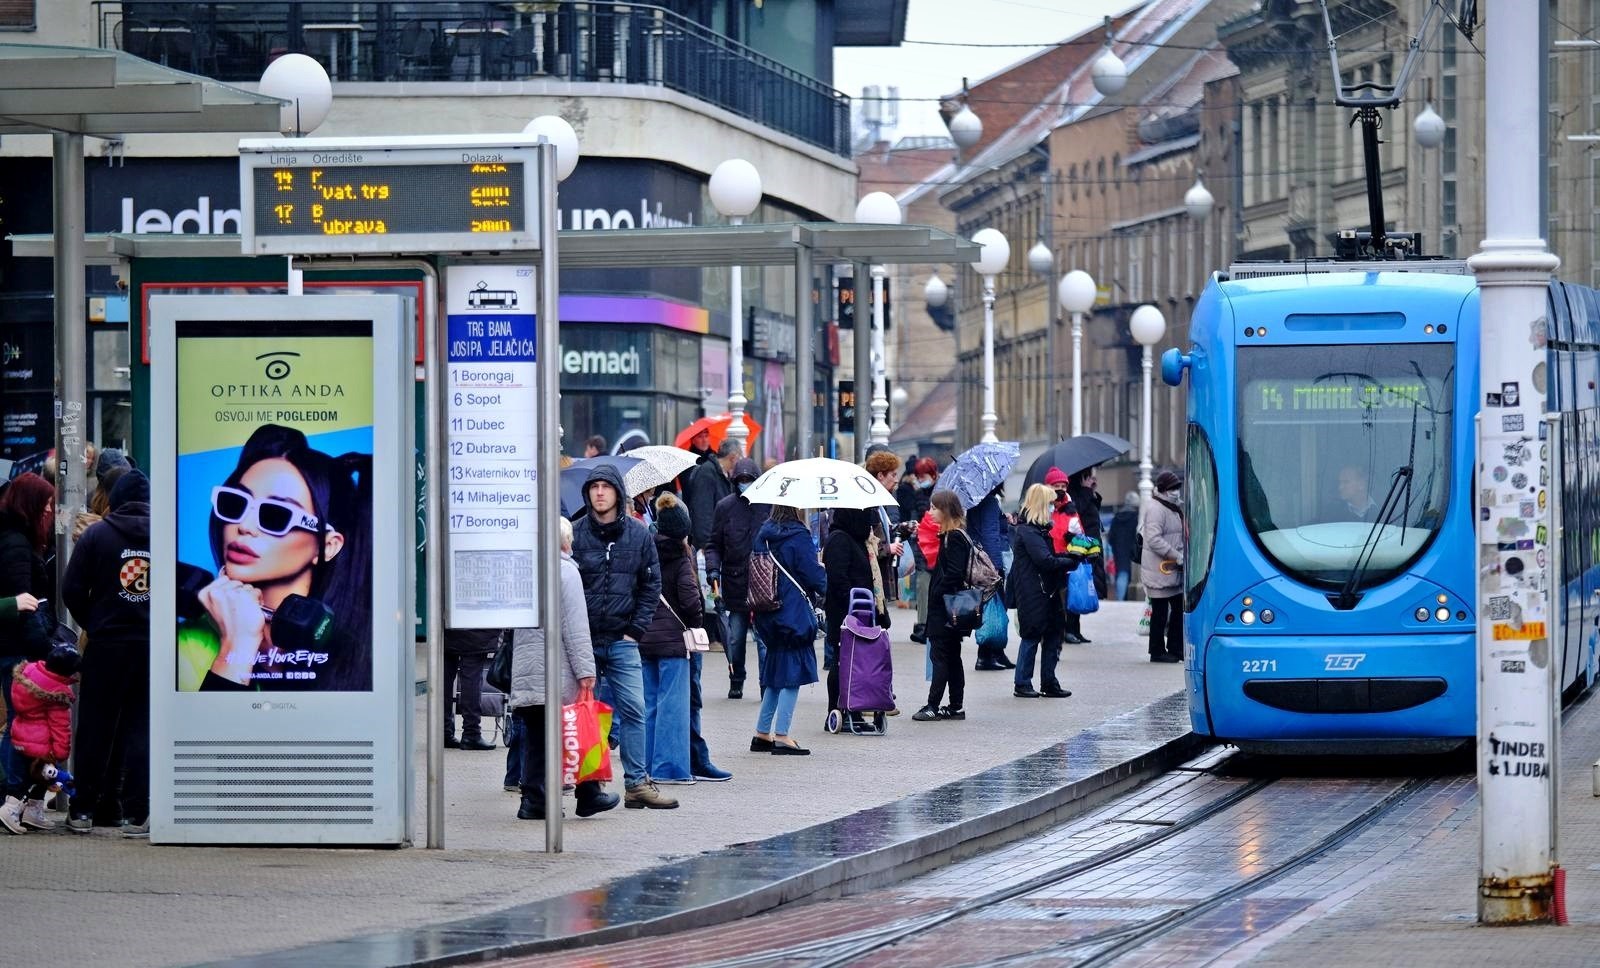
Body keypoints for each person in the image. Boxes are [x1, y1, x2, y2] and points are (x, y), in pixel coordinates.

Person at [178, 424, 372, 692]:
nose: (244, 526)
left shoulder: (364, 651)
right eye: (235, 504)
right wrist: (236, 647)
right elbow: (210, 722)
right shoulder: (189, 644)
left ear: (327, 546)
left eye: (275, 515)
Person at [569, 464, 677, 809]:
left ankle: (636, 783)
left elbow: (651, 585)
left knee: (634, 709)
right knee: (585, 713)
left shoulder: (638, 535)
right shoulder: (575, 533)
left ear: (618, 492)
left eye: (606, 486)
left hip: (622, 639)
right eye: (594, 487)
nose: (600, 493)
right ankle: (589, 785)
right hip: (583, 640)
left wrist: (635, 630)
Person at [507, 517, 618, 820]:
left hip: (528, 671)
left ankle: (534, 801)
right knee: (577, 732)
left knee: (536, 738)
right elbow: (575, 627)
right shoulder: (566, 571)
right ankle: (588, 794)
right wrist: (586, 671)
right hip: (555, 671)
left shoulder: (527, 569)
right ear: (565, 541)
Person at [61, 469, 152, 835]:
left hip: (106, 646)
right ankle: (137, 814)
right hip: (150, 648)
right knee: (141, 728)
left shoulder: (97, 535)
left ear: (114, 499)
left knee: (95, 728)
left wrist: (94, 622)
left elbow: (71, 589)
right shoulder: (167, 536)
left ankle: (83, 810)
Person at [750, 505, 826, 755]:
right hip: (792, 613)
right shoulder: (798, 535)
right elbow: (812, 576)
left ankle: (762, 732)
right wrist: (823, 572)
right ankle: (782, 734)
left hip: (767, 611)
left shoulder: (763, 534)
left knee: (775, 674)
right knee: (792, 674)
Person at [0, 472, 55, 800]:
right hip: (15, 648)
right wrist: (46, 650)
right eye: (45, 503)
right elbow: (25, 603)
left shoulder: (13, 538)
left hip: (13, 646)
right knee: (19, 722)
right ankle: (11, 795)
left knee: (17, 721)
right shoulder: (17, 543)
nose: (49, 509)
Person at [638, 493, 698, 784]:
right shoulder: (680, 559)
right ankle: (670, 769)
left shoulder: (645, 552)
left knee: (649, 706)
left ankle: (646, 766)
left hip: (645, 638)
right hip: (674, 641)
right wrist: (696, 622)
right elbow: (690, 601)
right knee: (672, 705)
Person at [1009, 484, 1080, 699]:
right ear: (1041, 505)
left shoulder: (1039, 531)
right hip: (1033, 592)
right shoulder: (1028, 532)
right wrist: (1071, 560)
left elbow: (1050, 559)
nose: (1053, 507)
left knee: (1053, 636)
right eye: (1050, 504)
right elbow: (1045, 561)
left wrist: (1073, 556)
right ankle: (1022, 683)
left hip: (1046, 591)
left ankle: (1049, 682)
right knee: (1032, 636)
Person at [706, 458, 768, 699]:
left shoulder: (768, 505)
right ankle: (736, 677)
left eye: (748, 479)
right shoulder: (725, 507)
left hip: (764, 582)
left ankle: (766, 684)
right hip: (735, 581)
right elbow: (714, 544)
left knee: (764, 639)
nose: (744, 483)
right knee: (735, 638)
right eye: (740, 480)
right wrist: (713, 571)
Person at [1, 644, 77, 835]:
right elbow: (60, 727)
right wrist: (60, 753)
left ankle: (31, 812)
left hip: (19, 737)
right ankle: (10, 811)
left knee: (18, 779)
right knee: (38, 779)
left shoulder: (26, 674)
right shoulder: (57, 694)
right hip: (41, 748)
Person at [913, 489, 975, 722]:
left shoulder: (954, 538)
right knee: (951, 656)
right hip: (950, 607)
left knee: (940, 657)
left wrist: (938, 593)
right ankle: (956, 706)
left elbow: (954, 574)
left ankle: (933, 705)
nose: (930, 512)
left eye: (934, 508)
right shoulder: (952, 535)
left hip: (946, 608)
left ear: (946, 510)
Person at [822, 507, 877, 724]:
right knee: (841, 662)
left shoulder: (855, 539)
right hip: (845, 615)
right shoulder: (839, 539)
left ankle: (853, 710)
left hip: (858, 614)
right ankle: (836, 711)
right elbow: (838, 579)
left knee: (854, 664)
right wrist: (853, 607)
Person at [967, 484, 1014, 671]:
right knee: (993, 608)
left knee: (992, 608)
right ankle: (986, 656)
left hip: (980, 559)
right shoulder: (989, 501)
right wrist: (996, 568)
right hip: (991, 562)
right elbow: (990, 534)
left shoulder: (976, 500)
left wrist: (1003, 518)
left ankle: (997, 653)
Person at [1142, 469, 1186, 663]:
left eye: (1177, 487)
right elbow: (1153, 539)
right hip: (1159, 569)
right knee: (1160, 612)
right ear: (1162, 489)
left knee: (1177, 609)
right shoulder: (1156, 509)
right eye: (1172, 488)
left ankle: (1175, 648)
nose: (1176, 491)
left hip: (1171, 569)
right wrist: (1176, 555)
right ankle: (1157, 651)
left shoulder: (1172, 507)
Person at [1045, 468, 1088, 644]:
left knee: (1072, 594)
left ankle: (1073, 630)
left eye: (1063, 486)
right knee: (1056, 598)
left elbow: (1081, 534)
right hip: (1049, 558)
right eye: (1056, 486)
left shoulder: (1070, 509)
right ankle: (1061, 631)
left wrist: (1074, 538)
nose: (1060, 489)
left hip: (1068, 558)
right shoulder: (1044, 508)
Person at [900, 457, 938, 643]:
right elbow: (914, 518)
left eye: (923, 476)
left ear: (932, 475)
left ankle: (933, 624)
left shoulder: (942, 494)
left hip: (938, 548)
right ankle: (923, 624)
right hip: (923, 547)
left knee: (935, 588)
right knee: (923, 585)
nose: (920, 479)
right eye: (918, 476)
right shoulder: (918, 495)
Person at [444, 628, 501, 750]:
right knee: (471, 678)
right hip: (475, 627)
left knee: (444, 677)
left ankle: (442, 731)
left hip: (448, 627)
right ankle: (471, 733)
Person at [687, 439, 739, 551]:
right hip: (709, 547)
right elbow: (702, 513)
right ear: (733, 457)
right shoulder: (707, 472)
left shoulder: (726, 475)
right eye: (739, 458)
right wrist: (707, 546)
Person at [1068, 467, 1108, 601]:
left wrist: (1092, 491)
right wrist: (1086, 490)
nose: (1092, 478)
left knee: (1094, 579)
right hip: (1084, 545)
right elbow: (1078, 510)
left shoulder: (1085, 492)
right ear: (1081, 477)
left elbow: (1092, 512)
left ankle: (1095, 597)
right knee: (1088, 579)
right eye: (1089, 476)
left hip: (1093, 543)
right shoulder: (1073, 493)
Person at [1108, 491, 1141, 601]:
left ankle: (1120, 599)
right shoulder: (1137, 518)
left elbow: (1111, 537)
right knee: (1130, 575)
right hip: (1133, 550)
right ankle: (1123, 600)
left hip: (1119, 551)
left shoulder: (1116, 518)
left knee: (1121, 573)